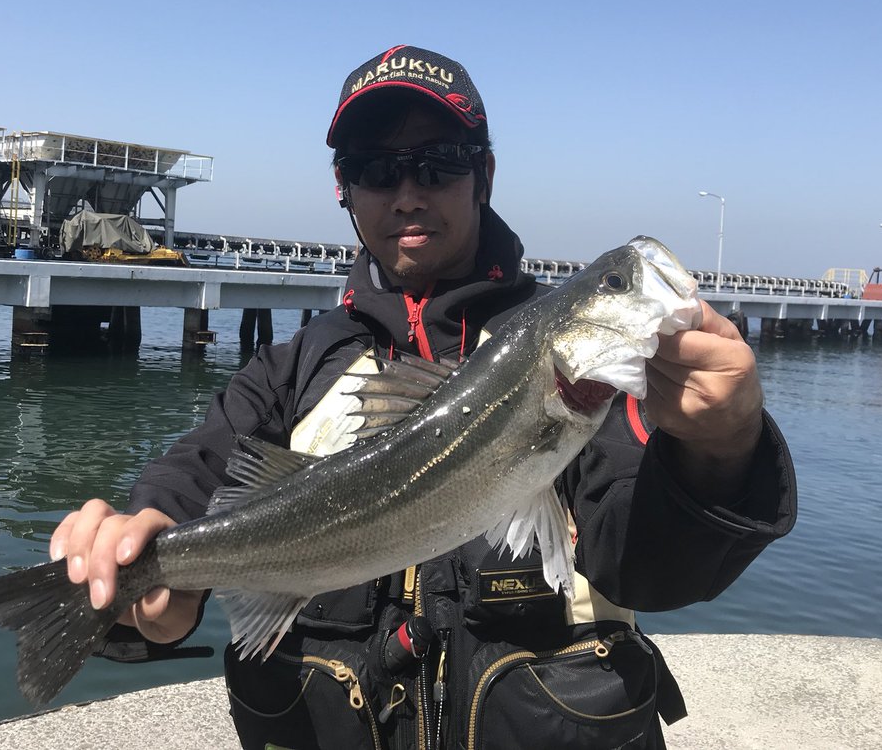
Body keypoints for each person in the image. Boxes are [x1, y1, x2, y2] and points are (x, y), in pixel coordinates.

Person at [51, 45, 797, 748]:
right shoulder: (292, 368)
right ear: (344, 189)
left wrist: (722, 448)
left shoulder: (590, 385)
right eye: (377, 169)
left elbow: (654, 570)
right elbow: (197, 471)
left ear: (485, 176)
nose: (408, 193)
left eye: (438, 165)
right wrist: (138, 566)